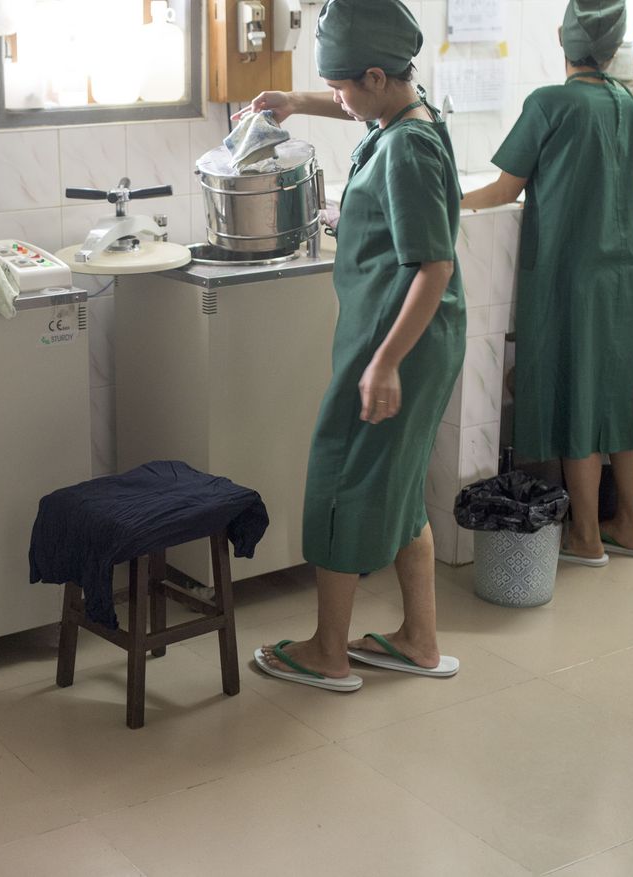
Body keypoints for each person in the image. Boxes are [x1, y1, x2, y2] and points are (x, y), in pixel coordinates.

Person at [244, 0, 465, 691]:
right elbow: (353, 106)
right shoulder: (408, 110)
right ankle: (418, 639)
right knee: (397, 490)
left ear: (375, 75)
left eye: (341, 86)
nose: (337, 98)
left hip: (395, 338)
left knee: (340, 481)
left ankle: (326, 651)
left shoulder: (406, 149)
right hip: (414, 335)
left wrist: (384, 363)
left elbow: (435, 266)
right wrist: (296, 101)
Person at [461, 0, 633, 566]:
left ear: (561, 37)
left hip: (571, 273)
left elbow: (501, 191)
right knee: (616, 397)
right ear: (613, 45)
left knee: (576, 394)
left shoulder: (552, 101)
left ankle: (587, 537)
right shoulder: (626, 103)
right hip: (620, 274)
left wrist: (445, 200)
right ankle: (632, 528)